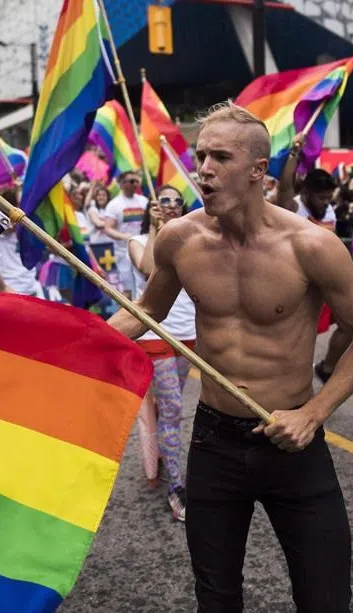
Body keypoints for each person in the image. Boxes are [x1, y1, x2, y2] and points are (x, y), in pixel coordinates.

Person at [108, 103, 353, 613]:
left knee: (325, 598)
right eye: (200, 156)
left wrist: (314, 413)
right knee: (216, 598)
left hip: (292, 444)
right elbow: (146, 312)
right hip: (214, 441)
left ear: (259, 170)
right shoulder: (180, 239)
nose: (204, 169)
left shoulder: (311, 245)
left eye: (220, 157)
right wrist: (73, 341)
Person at [127, 185, 198, 521]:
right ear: (153, 206)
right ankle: (176, 486)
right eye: (164, 199)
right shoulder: (136, 240)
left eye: (176, 200)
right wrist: (157, 229)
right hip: (155, 336)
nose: (171, 204)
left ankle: (157, 440)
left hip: (190, 337)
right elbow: (146, 269)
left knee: (168, 405)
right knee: (172, 408)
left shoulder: (191, 241)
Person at [103, 171, 150, 298]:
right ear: (123, 184)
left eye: (136, 181)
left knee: (145, 287)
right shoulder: (114, 204)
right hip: (123, 252)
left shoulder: (144, 201)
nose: (135, 184)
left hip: (142, 250)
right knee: (127, 291)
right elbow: (108, 228)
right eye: (131, 181)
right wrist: (125, 237)